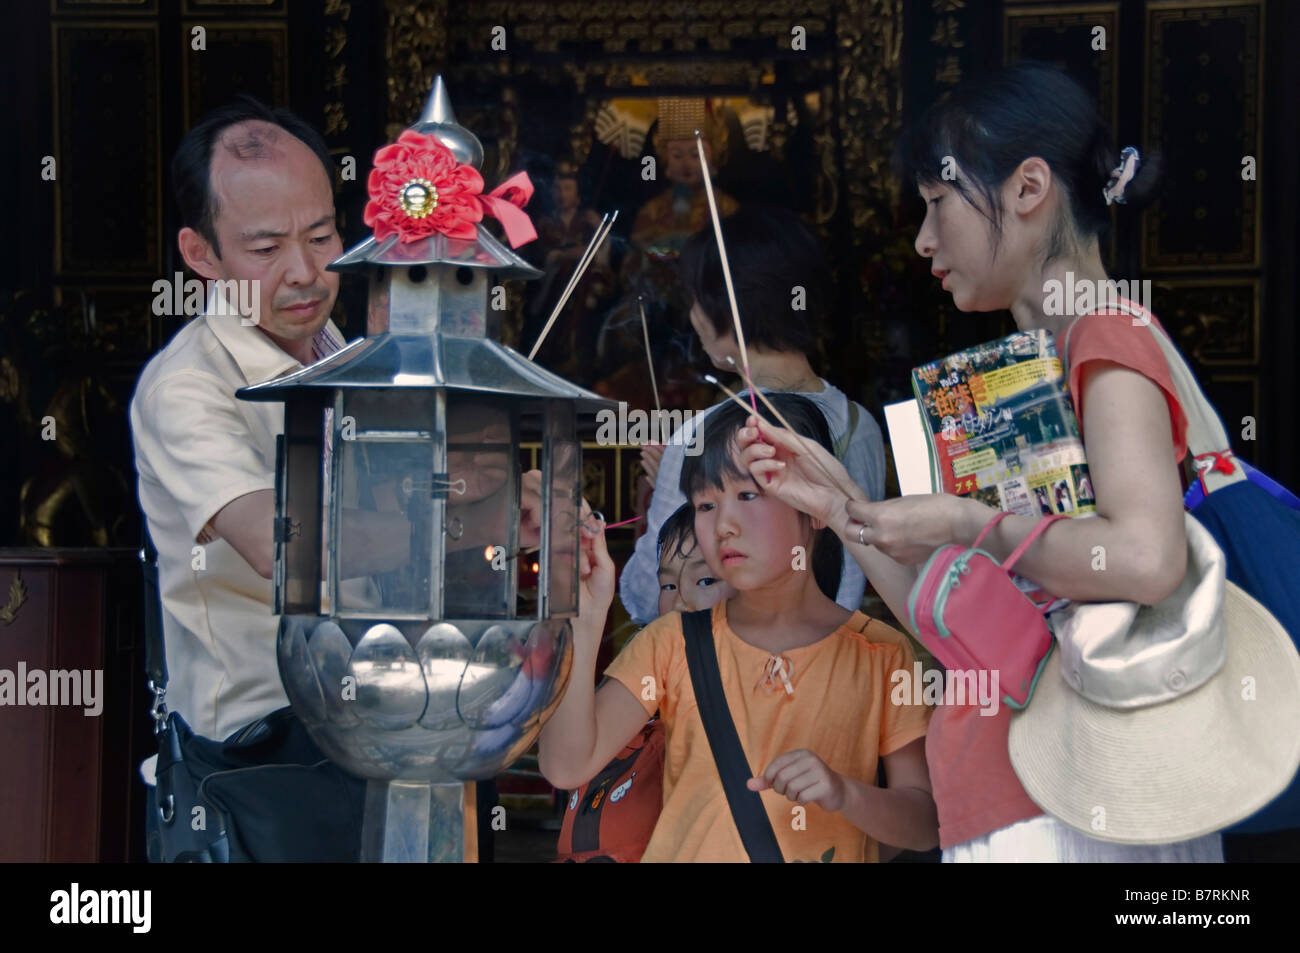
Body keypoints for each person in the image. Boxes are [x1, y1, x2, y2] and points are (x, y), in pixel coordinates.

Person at [739, 62, 1225, 862]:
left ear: (1028, 188)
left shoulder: (1104, 333)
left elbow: (1144, 557)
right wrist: (835, 506)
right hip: (1014, 787)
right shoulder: (1024, 370)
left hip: (1080, 800)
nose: (924, 238)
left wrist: (967, 519)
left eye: (937, 202)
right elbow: (963, 622)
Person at [541, 395, 936, 862]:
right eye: (705, 504)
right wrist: (583, 624)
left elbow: (925, 824)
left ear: (814, 506)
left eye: (749, 495)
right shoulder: (670, 643)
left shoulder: (881, 653)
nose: (724, 525)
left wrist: (844, 794)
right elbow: (566, 765)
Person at [618, 204, 888, 625]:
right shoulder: (862, 425)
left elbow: (650, 594)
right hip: (831, 669)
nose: (692, 317)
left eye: (696, 300)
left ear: (725, 308)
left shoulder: (701, 437)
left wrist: (668, 488)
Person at [555, 504, 734, 863]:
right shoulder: (650, 675)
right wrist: (583, 618)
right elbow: (563, 763)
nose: (679, 600)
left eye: (705, 581)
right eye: (667, 584)